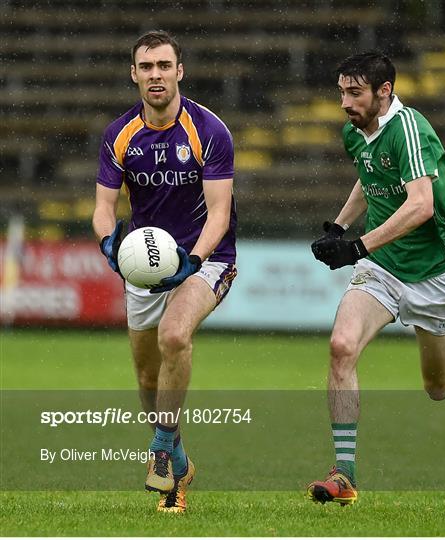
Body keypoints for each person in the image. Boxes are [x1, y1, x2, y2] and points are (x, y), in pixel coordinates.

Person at [307, 52, 445, 506]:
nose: (345, 102)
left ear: (384, 91)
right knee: (341, 347)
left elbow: (421, 204)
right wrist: (338, 226)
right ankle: (344, 475)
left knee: (436, 386)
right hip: (382, 267)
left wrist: (358, 245)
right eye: (342, 92)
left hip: (431, 275)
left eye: (355, 93)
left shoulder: (409, 129)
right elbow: (369, 178)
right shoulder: (355, 131)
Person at [92, 30, 237, 514]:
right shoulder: (118, 135)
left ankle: (165, 466)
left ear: (180, 71)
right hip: (146, 263)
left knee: (174, 336)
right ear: (134, 74)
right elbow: (102, 209)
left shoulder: (210, 131)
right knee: (146, 377)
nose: (156, 75)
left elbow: (219, 213)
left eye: (164, 65)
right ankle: (177, 454)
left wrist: (193, 261)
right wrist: (110, 245)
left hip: (205, 257)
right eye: (147, 67)